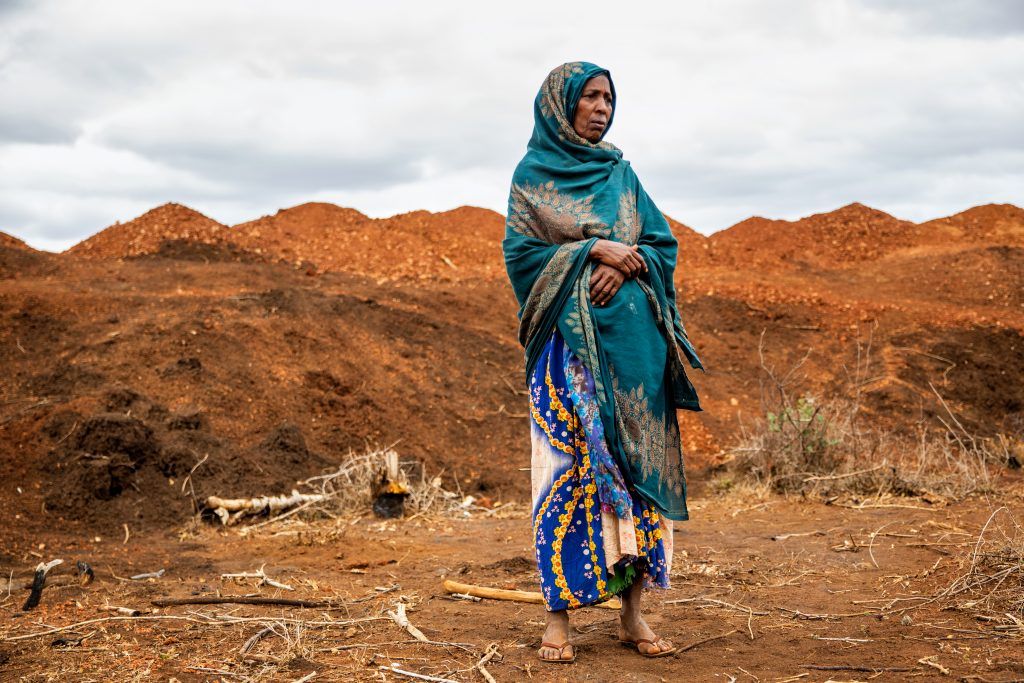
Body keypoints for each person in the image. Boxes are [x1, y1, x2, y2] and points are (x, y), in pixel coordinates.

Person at [502, 61, 705, 664]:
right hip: (567, 360)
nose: (601, 107)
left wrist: (623, 261)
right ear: (560, 105)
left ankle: (633, 614)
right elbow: (522, 257)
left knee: (636, 476)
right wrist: (593, 248)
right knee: (565, 473)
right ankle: (558, 617)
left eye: (608, 98)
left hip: (635, 359)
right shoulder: (532, 177)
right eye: (589, 97)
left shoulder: (623, 175)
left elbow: (660, 243)